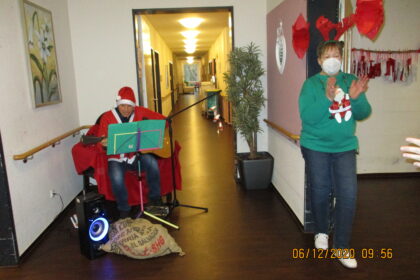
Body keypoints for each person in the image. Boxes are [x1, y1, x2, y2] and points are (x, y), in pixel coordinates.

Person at [299, 40, 371, 269]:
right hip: (316, 146)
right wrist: (327, 98)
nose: (333, 59)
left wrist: (357, 97)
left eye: (337, 55)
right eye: (327, 55)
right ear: (319, 60)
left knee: (348, 194)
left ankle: (341, 245)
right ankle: (321, 231)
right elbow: (308, 117)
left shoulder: (349, 80)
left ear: (341, 58)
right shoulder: (310, 84)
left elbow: (363, 113)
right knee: (320, 191)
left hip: (345, 147)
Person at [98, 86, 166, 219]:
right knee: (116, 177)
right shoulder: (107, 117)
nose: (126, 109)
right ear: (118, 104)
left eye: (129, 106)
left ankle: (155, 200)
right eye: (123, 106)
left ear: (133, 106)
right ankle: (124, 209)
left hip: (135, 156)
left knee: (152, 163)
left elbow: (159, 120)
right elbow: (100, 141)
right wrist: (103, 144)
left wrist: (166, 122)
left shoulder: (139, 113)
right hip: (116, 158)